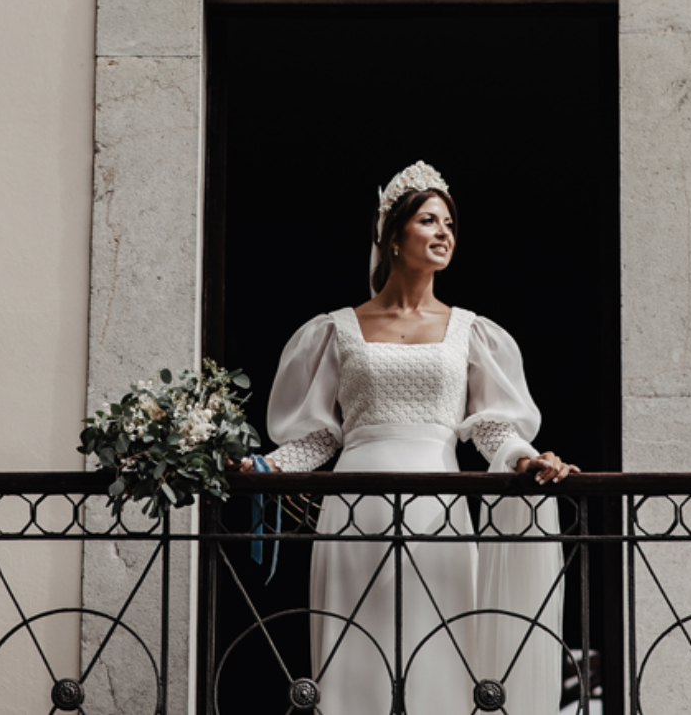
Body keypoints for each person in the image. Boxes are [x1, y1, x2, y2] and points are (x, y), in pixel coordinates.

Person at [237, 161, 577, 715]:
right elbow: (322, 437)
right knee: (353, 662)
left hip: (437, 510)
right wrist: (265, 468)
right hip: (356, 512)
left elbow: (492, 426)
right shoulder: (335, 329)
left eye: (449, 223)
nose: (443, 232)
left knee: (442, 657)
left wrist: (523, 458)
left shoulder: (473, 331)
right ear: (392, 237)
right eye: (427, 220)